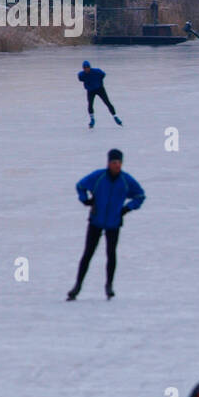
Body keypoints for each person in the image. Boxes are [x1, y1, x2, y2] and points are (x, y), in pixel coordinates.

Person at [67, 148, 145, 300]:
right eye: (114, 162)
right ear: (108, 163)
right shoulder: (99, 177)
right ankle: (77, 286)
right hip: (96, 221)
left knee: (111, 254)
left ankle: (109, 286)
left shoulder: (125, 180)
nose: (117, 165)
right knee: (88, 254)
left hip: (114, 223)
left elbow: (140, 195)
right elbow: (81, 185)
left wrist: (127, 208)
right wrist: (85, 199)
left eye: (119, 163)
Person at [78, 61, 122, 128]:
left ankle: (115, 117)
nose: (86, 69)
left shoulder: (96, 71)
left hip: (100, 89)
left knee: (107, 102)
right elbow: (81, 79)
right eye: (85, 68)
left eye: (87, 68)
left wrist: (99, 82)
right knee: (90, 104)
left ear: (90, 67)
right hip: (90, 91)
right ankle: (92, 119)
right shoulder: (81, 74)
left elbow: (103, 74)